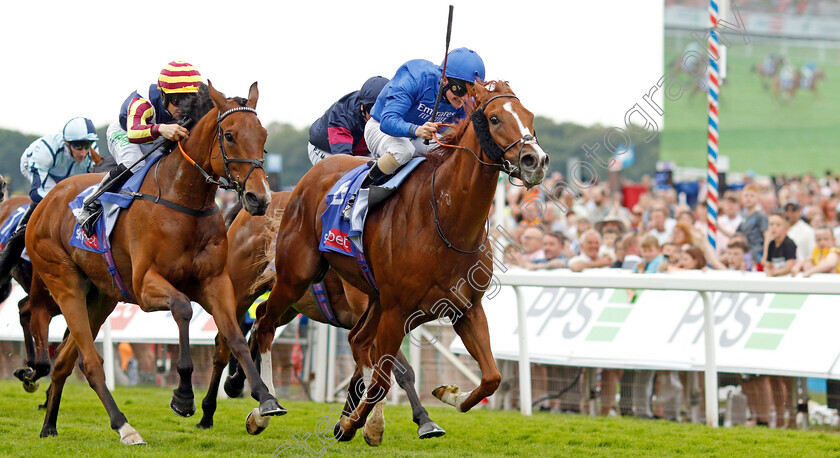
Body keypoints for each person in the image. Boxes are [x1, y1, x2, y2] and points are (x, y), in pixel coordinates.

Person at [342, 48, 485, 219]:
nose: (464, 99)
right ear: (444, 79)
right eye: (460, 90)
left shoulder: (463, 101)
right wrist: (415, 129)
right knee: (404, 151)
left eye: (472, 92)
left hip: (417, 136)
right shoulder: (416, 77)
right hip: (380, 127)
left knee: (451, 152)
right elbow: (388, 120)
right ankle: (356, 197)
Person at [76, 61, 203, 235]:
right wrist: (160, 128)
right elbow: (134, 133)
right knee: (133, 162)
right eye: (177, 100)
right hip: (126, 132)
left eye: (189, 100)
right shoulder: (142, 103)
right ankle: (91, 203)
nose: (182, 107)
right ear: (163, 95)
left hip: (156, 135)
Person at [0, 117, 104, 283]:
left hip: (67, 176)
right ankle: (15, 244)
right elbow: (36, 193)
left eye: (87, 145)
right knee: (47, 204)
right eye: (78, 146)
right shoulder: (45, 151)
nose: (83, 152)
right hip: (41, 171)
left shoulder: (92, 153)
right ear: (67, 143)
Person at [307, 76, 390, 165]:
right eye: (372, 109)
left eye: (384, 108)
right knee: (344, 173)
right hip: (326, 150)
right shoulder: (343, 115)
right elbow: (343, 159)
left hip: (360, 151)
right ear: (362, 107)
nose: (377, 115)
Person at [763, 212, 797, 277]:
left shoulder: (789, 244)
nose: (774, 227)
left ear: (786, 228)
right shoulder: (771, 244)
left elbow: (789, 268)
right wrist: (767, 240)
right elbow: (766, 264)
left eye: (778, 225)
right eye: (771, 224)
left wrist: (773, 273)